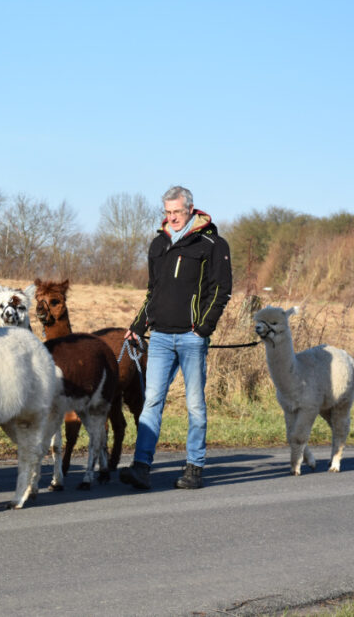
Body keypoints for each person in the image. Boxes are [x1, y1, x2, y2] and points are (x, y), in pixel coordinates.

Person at [119, 185, 232, 490]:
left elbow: (221, 290)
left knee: (195, 403)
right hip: (160, 339)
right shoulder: (158, 244)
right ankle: (141, 466)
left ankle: (194, 467)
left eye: (177, 212)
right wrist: (138, 325)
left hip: (192, 338)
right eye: (167, 213)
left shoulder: (212, 243)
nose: (172, 218)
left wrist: (203, 327)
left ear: (191, 210)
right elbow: (152, 291)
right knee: (152, 400)